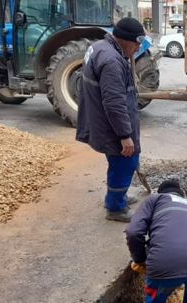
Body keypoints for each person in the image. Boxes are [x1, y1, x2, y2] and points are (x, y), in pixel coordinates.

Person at [76, 17, 146, 222]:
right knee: (126, 161)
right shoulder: (112, 61)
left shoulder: (99, 47)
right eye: (136, 43)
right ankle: (115, 208)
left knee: (117, 163)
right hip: (112, 125)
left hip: (102, 120)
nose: (138, 47)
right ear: (125, 40)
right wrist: (125, 135)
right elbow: (114, 103)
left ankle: (118, 196)